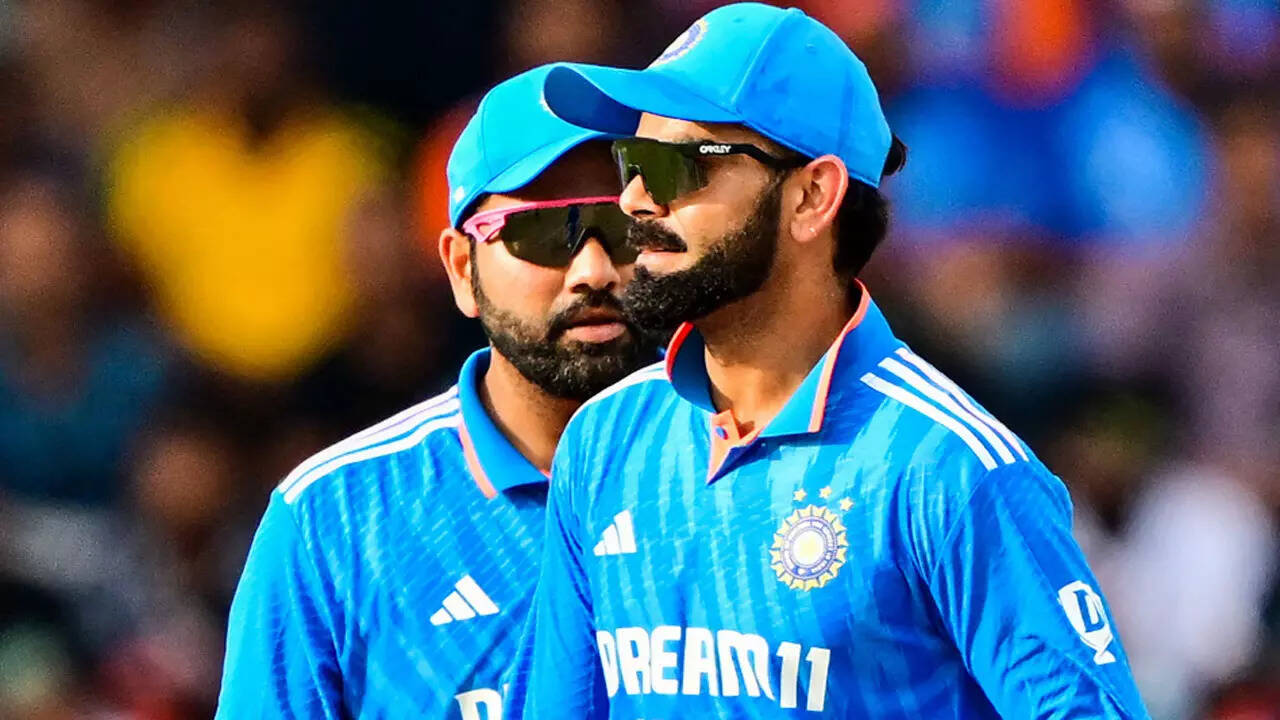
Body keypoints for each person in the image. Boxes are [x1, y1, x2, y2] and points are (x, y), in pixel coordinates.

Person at [507, 4, 1150, 718]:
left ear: (813, 196)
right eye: (632, 162)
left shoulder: (948, 468)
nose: (632, 199)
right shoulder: (602, 442)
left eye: (677, 165)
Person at [215, 65, 656, 718]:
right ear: (459, 267)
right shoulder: (333, 519)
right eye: (543, 232)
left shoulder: (748, 471)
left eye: (626, 227)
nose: (593, 270)